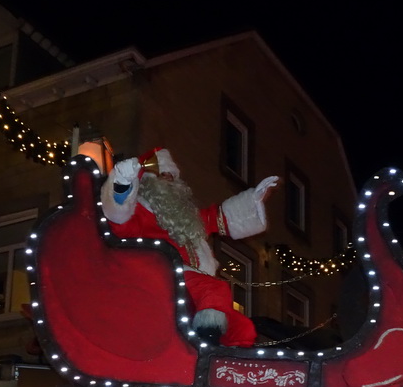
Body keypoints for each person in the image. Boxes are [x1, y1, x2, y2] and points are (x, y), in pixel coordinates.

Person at [101, 148, 278, 346]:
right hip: (160, 275)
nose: (168, 180)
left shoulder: (190, 217)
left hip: (194, 284)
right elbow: (117, 214)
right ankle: (206, 342)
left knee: (241, 326)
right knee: (214, 289)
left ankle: (235, 369)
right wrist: (123, 183)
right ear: (146, 182)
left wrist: (255, 197)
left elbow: (219, 217)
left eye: (171, 176)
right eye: (162, 175)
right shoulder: (139, 211)